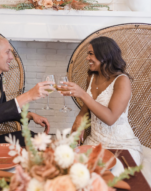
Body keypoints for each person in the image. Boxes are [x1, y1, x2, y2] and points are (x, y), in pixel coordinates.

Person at [60, 36, 142, 165]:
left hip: (121, 145)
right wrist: (80, 117)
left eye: (91, 54)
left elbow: (110, 118)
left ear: (104, 55)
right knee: (75, 171)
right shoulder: (91, 77)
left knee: (113, 177)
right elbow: (87, 107)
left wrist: (82, 94)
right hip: (94, 142)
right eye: (88, 54)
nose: (87, 58)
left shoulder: (122, 80)